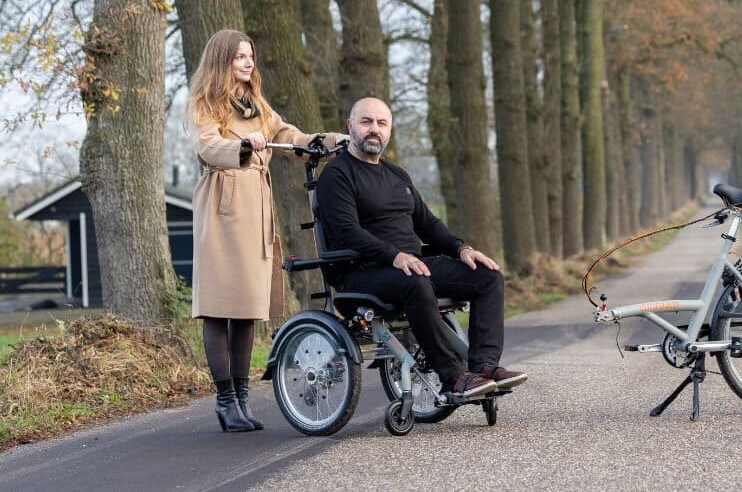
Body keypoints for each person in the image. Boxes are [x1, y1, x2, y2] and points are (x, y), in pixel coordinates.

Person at [317, 97, 527, 398]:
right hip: (362, 272)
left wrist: (461, 249)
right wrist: (395, 255)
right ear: (350, 126)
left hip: (410, 265)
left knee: (488, 275)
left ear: (389, 130)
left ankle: (484, 367)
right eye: (366, 122)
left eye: (381, 123)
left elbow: (427, 223)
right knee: (415, 282)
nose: (374, 129)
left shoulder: (397, 175)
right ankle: (454, 376)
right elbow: (347, 232)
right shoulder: (337, 175)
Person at [188, 29, 343, 432]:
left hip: (256, 206)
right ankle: (225, 401)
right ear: (223, 59)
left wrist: (323, 141)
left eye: (250, 55)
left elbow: (286, 135)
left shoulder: (255, 103)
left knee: (246, 309)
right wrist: (242, 146)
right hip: (222, 206)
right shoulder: (205, 102)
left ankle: (240, 398)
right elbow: (207, 145)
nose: (247, 62)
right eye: (239, 56)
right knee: (220, 306)